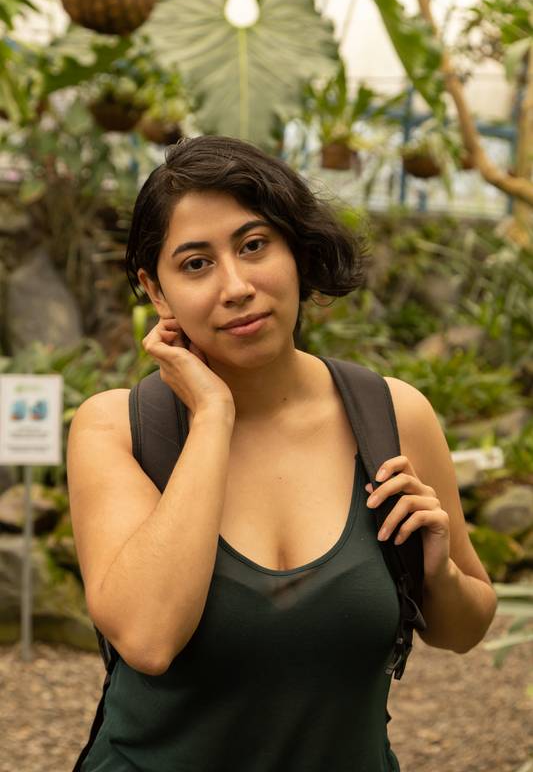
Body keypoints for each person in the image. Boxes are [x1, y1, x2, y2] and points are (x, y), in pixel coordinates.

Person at [67, 135, 497, 772]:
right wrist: (212, 415)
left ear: (296, 251)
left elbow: (463, 630)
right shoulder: (118, 429)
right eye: (195, 264)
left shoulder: (391, 416)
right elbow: (150, 639)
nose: (236, 286)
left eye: (254, 245)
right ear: (155, 292)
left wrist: (436, 573)